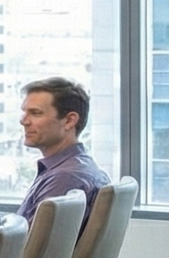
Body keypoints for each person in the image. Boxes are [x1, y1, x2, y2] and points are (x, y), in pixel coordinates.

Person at [18, 76, 107, 220]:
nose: (23, 121)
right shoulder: (76, 167)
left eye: (35, 113)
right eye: (24, 112)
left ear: (69, 120)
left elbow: (31, 242)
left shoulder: (66, 177)